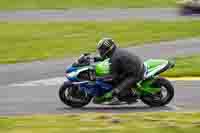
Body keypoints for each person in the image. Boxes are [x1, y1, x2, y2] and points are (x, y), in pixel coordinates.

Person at [96, 38, 145, 105]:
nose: (100, 51)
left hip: (135, 73)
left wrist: (98, 78)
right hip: (131, 68)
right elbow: (104, 58)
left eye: (102, 49)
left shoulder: (114, 58)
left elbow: (113, 77)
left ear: (108, 49)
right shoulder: (114, 53)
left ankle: (132, 95)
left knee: (116, 90)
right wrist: (94, 59)